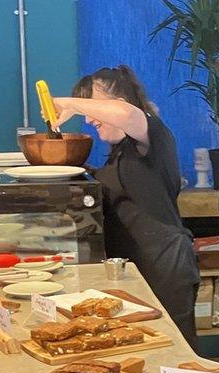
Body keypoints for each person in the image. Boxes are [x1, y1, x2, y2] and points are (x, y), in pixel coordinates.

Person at [53, 66, 200, 348]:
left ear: (118, 102)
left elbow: (128, 114)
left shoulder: (150, 135)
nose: (88, 118)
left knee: (174, 352)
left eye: (93, 106)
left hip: (164, 264)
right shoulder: (118, 156)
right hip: (135, 268)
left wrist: (68, 103)